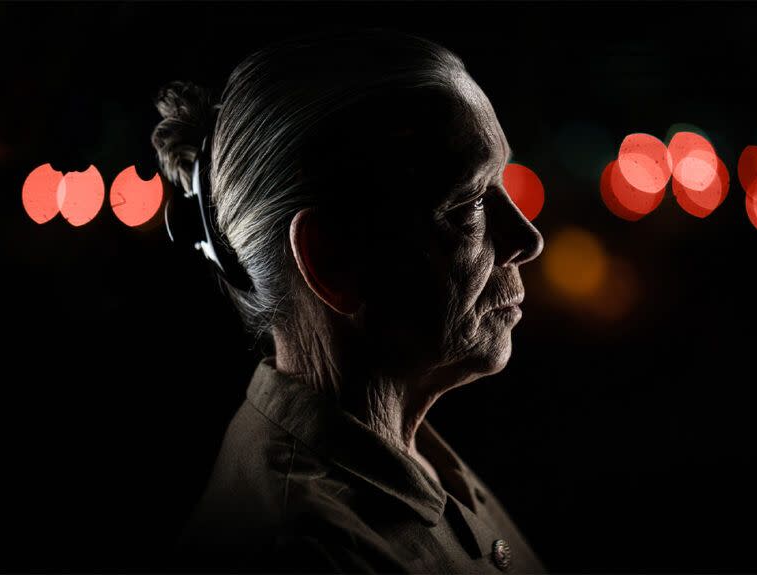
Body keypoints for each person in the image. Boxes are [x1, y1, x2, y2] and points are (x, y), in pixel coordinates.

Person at [151, 28, 545, 573]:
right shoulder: (304, 553)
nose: (527, 239)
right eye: (469, 205)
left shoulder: (410, 456)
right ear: (330, 260)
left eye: (502, 182)